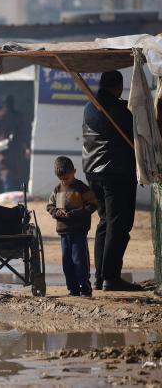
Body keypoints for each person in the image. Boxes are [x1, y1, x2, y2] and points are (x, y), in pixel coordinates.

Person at [82, 70, 141, 291]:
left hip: (93, 172)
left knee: (105, 222)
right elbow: (138, 130)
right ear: (118, 86)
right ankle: (111, 277)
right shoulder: (120, 110)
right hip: (115, 173)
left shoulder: (89, 106)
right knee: (119, 224)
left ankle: (100, 277)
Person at [46, 156, 98, 297]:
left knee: (79, 260)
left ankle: (85, 287)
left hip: (79, 231)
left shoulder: (81, 188)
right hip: (64, 232)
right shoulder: (57, 190)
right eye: (61, 179)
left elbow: (93, 204)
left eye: (67, 178)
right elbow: (50, 205)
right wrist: (57, 212)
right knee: (67, 261)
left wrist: (75, 214)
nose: (64, 181)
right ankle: (73, 289)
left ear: (74, 172)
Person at [0, 95, 30, 192]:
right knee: (16, 169)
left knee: (4, 169)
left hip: (2, 147)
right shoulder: (18, 115)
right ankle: (16, 192)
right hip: (16, 146)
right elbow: (22, 132)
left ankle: (7, 191)